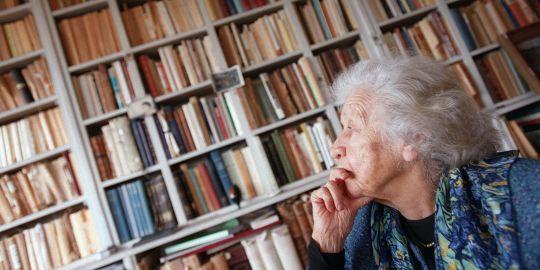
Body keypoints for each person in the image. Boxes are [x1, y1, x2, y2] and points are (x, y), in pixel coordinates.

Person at [308, 56, 540, 270]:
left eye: (352, 128)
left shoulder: (521, 192)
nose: (335, 148)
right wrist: (328, 243)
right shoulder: (362, 227)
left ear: (415, 137)